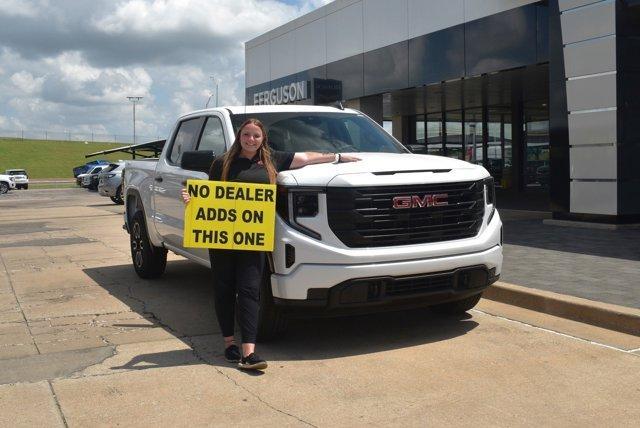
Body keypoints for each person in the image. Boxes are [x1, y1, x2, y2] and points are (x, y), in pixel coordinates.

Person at [182, 118, 360, 370]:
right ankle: (229, 344)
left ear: (263, 138)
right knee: (224, 290)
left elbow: (307, 157)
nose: (251, 139)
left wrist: (337, 158)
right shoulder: (222, 163)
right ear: (239, 136)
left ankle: (249, 352)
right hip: (223, 239)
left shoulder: (271, 161)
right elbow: (211, 197)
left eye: (256, 135)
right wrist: (192, 201)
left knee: (250, 291)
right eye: (246, 135)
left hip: (253, 239)